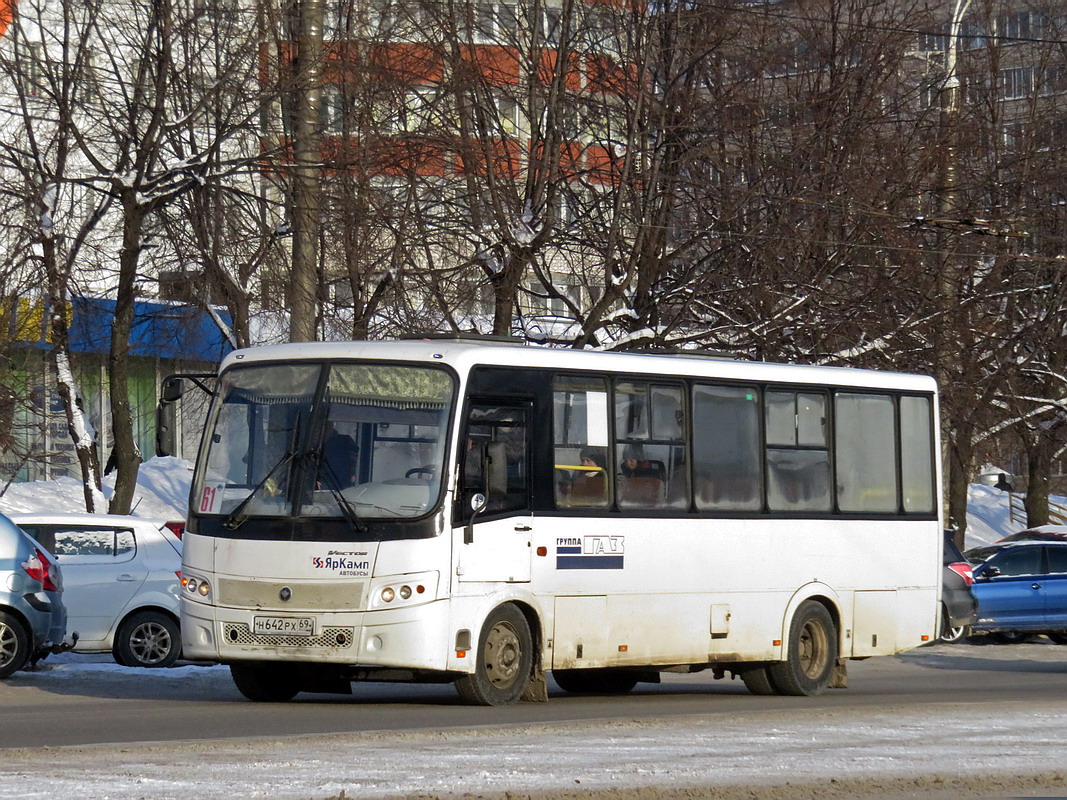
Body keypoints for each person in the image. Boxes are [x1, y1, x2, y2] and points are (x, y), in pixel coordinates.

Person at [319, 422, 359, 488]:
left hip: (340, 486)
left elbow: (356, 462)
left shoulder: (345, 442)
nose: (319, 432)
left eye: (324, 427)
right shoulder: (309, 445)